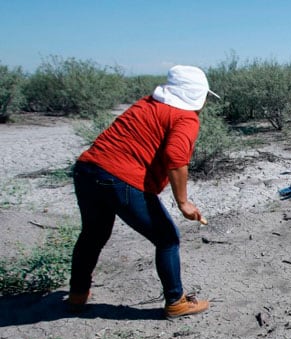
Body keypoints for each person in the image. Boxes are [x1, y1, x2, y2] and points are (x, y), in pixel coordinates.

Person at [66, 65, 220, 319]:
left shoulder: (146, 104)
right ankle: (176, 302)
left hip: (87, 171)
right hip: (120, 179)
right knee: (167, 238)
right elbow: (176, 157)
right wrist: (183, 202)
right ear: (195, 95)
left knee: (93, 234)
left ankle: (77, 295)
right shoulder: (185, 117)